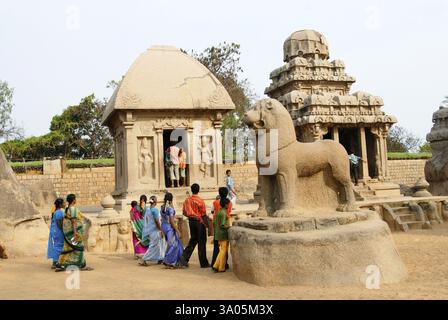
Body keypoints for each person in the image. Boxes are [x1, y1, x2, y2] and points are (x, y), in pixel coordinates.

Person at [56, 194, 93, 271]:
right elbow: (73, 221)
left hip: (68, 233)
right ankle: (81, 265)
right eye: (75, 199)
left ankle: (62, 264)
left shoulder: (67, 208)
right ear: (73, 200)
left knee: (68, 248)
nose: (76, 200)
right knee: (79, 248)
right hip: (74, 233)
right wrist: (75, 233)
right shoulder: (73, 209)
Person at [179, 183, 210, 268]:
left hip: (191, 221)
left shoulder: (187, 200)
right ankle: (203, 263)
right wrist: (207, 225)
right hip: (199, 222)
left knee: (193, 240)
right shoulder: (200, 201)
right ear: (198, 190)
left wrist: (190, 216)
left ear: (191, 190)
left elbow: (184, 212)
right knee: (201, 242)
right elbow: (203, 214)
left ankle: (184, 258)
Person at [139, 196, 165, 266]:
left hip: (151, 230)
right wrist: (161, 230)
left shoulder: (148, 209)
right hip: (155, 230)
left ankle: (160, 258)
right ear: (155, 202)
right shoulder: (154, 210)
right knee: (154, 245)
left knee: (158, 245)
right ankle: (144, 258)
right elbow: (157, 221)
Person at [160, 192, 184, 268]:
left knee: (170, 244)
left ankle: (168, 259)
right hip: (170, 228)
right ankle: (169, 260)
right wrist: (177, 230)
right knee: (174, 244)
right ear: (171, 200)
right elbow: (171, 221)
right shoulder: (170, 209)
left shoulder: (162, 207)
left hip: (164, 226)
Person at [211, 187, 232, 268]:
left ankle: (214, 262)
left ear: (219, 193)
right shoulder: (228, 203)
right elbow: (229, 212)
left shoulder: (216, 202)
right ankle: (224, 264)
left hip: (216, 224)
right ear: (227, 193)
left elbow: (212, 211)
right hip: (224, 225)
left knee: (216, 247)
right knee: (224, 248)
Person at [47, 198, 65, 269]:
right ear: (60, 204)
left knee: (57, 245)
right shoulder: (58, 212)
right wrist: (64, 231)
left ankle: (56, 261)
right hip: (58, 231)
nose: (65, 204)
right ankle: (55, 262)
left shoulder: (57, 212)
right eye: (64, 203)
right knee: (58, 245)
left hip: (55, 231)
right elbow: (59, 223)